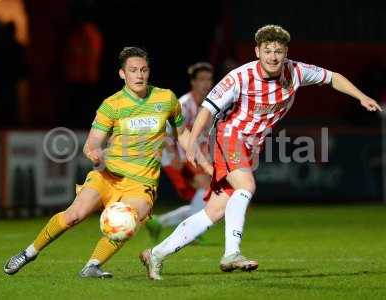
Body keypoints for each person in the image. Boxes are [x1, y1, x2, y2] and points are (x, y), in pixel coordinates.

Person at [139, 25, 382, 280]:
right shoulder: (239, 77)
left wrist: (361, 96)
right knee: (246, 186)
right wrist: (190, 144)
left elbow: (333, 77)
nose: (273, 57)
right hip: (228, 136)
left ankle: (156, 253)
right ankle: (231, 254)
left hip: (251, 146)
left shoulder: (296, 71)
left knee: (215, 210)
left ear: (285, 51)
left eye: (278, 51)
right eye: (268, 51)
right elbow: (208, 108)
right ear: (257, 51)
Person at [3, 46, 211, 278]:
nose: (139, 75)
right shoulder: (112, 105)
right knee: (74, 215)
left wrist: (198, 157)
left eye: (143, 70)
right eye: (133, 70)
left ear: (149, 72)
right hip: (108, 176)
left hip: (141, 182)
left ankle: (92, 266)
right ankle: (29, 252)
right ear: (122, 74)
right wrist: (94, 153)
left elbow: (182, 134)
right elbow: (91, 143)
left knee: (128, 222)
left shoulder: (166, 98)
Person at [145, 62, 214, 242]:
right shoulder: (184, 104)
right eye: (202, 79)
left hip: (191, 156)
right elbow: (166, 131)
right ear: (193, 82)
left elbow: (205, 136)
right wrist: (174, 154)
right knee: (206, 189)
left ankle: (160, 222)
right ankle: (192, 231)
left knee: (205, 197)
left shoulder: (209, 106)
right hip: (172, 156)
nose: (206, 83)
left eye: (209, 79)